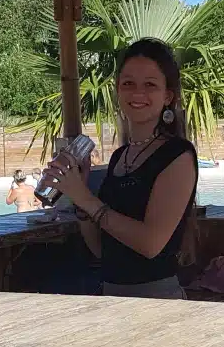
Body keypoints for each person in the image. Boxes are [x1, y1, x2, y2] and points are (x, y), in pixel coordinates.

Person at [42, 37, 198, 299]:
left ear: (168, 96)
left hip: (158, 302)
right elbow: (101, 249)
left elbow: (150, 244)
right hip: (112, 299)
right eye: (128, 84)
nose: (137, 93)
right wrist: (79, 202)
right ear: (118, 91)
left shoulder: (178, 155)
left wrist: (85, 198)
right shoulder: (119, 158)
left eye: (150, 85)